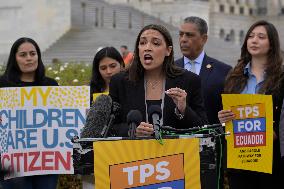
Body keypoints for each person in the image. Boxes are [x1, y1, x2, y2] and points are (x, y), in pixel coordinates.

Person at [109, 24, 208, 137]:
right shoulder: (120, 81)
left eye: (155, 43)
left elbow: (203, 129)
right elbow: (109, 127)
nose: (147, 48)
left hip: (176, 153)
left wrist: (183, 109)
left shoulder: (189, 80)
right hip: (133, 152)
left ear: (168, 50)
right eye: (142, 43)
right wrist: (132, 130)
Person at [218, 20, 284, 189]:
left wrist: (274, 132)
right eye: (251, 36)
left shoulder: (281, 78)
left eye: (261, 37)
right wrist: (223, 118)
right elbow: (228, 120)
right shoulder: (234, 77)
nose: (254, 40)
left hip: (270, 162)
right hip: (239, 161)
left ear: (272, 44)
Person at [175, 16, 232, 189]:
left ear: (204, 38)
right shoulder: (169, 69)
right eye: (181, 34)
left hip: (211, 152)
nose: (183, 39)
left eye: (190, 35)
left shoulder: (223, 71)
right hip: (176, 149)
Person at [0, 37, 58, 189]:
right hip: (11, 164)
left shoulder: (51, 85)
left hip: (46, 162)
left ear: (38, 56)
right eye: (23, 55)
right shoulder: (2, 84)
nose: (29, 58)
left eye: (33, 53)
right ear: (15, 58)